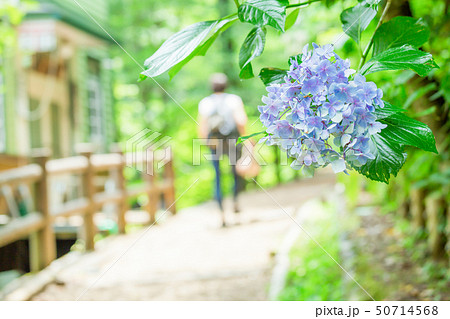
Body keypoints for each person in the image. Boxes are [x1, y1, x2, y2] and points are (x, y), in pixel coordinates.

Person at [198, 73, 248, 227]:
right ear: (226, 85)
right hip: (233, 141)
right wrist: (246, 138)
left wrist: (206, 142)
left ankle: (221, 214)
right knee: (236, 174)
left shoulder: (205, 103)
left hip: (214, 143)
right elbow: (241, 121)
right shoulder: (234, 100)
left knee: (218, 177)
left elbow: (202, 128)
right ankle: (235, 202)